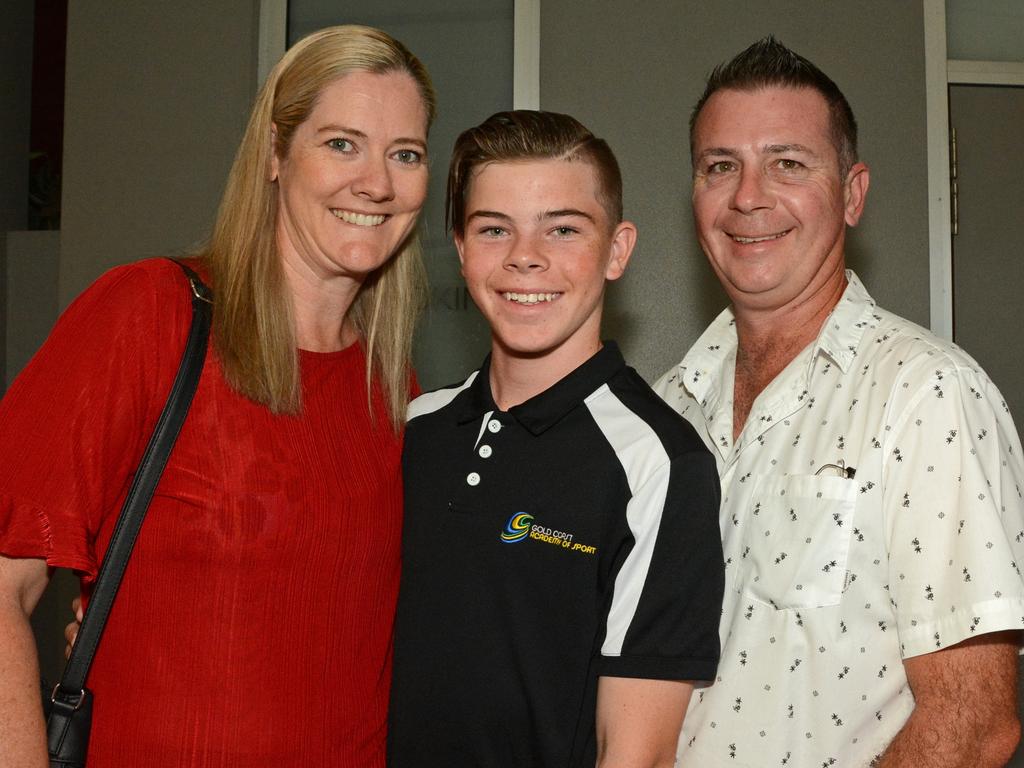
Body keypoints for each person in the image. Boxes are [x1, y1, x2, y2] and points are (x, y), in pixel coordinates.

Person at [0, 25, 434, 766]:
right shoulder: (150, 314)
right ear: (274, 153)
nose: (378, 183)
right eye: (341, 143)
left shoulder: (394, 391)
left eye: (407, 153)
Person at [653, 37, 1024, 767]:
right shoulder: (666, 410)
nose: (747, 196)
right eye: (719, 166)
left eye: (788, 163)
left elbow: (974, 723)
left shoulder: (926, 394)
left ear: (852, 194)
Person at [387, 110, 724, 767]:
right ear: (460, 250)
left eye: (563, 228)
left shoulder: (659, 463)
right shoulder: (411, 430)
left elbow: (636, 754)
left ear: (618, 249)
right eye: (493, 229)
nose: (525, 257)